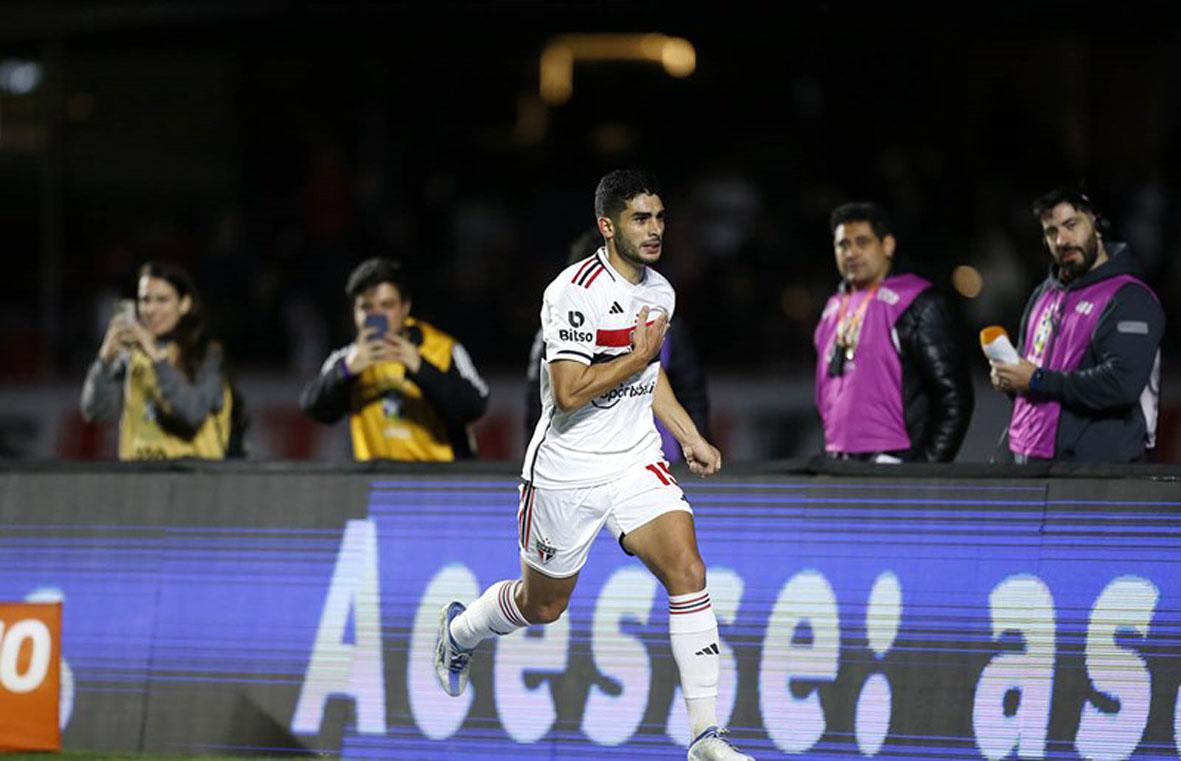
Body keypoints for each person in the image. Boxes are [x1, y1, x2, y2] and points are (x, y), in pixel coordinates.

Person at [434, 170, 753, 761]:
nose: (655, 229)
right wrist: (635, 354)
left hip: (635, 460)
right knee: (543, 607)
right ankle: (460, 632)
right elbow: (571, 390)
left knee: (689, 571)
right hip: (566, 472)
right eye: (641, 219)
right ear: (608, 227)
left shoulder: (661, 292)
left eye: (659, 217)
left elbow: (651, 379)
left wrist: (689, 436)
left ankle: (707, 736)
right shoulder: (570, 292)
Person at [991, 188, 1164, 462]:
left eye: (1071, 225)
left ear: (1097, 225)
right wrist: (1012, 379)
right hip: (1026, 462)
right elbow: (1032, 377)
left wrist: (1036, 380)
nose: (1062, 240)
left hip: (1094, 475)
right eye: (1051, 232)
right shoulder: (1042, 295)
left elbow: (1120, 385)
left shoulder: (1130, 297)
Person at [524, 228, 711, 455]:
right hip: (578, 457)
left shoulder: (664, 325)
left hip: (653, 455)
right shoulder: (554, 333)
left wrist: (695, 442)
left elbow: (690, 394)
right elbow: (540, 406)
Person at [814, 202, 974, 462]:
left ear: (887, 245)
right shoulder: (832, 309)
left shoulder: (917, 302)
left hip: (895, 462)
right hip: (839, 463)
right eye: (843, 245)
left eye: (862, 242)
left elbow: (954, 398)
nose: (851, 253)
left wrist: (922, 472)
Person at [300, 257, 489, 460]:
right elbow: (314, 408)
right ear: (354, 312)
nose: (377, 315)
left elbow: (475, 407)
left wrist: (419, 368)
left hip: (439, 483)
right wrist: (346, 371)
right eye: (366, 307)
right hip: (378, 485)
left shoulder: (442, 349)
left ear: (405, 307)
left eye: (386, 305)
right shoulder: (350, 359)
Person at [81, 261, 242, 460]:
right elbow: (96, 412)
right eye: (145, 300)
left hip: (195, 479)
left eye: (162, 300)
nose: (151, 309)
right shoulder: (132, 356)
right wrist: (104, 359)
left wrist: (156, 357)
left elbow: (192, 413)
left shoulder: (207, 355)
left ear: (185, 304)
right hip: (141, 480)